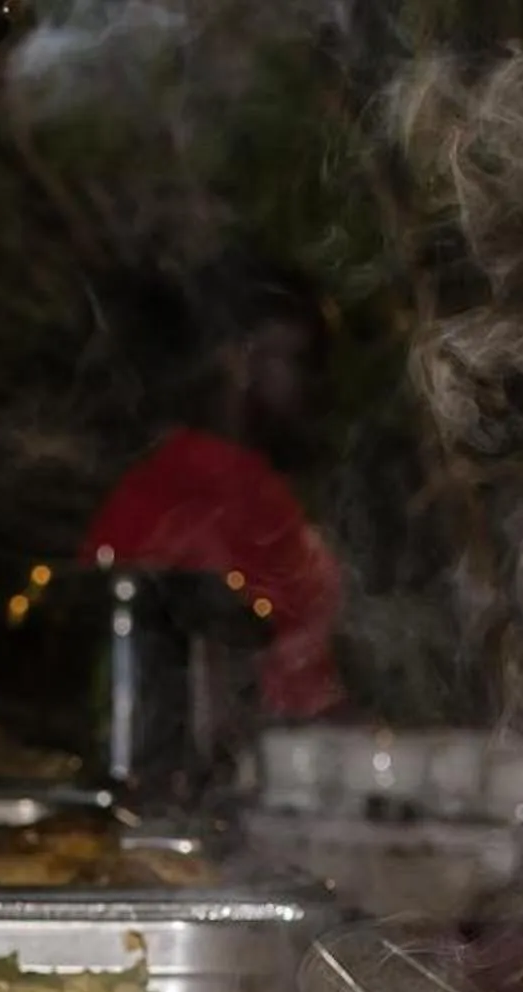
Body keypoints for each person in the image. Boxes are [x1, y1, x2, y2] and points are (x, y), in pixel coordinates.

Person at [79, 257, 346, 720]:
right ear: (238, 357)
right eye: (299, 359)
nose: (310, 385)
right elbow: (293, 690)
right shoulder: (218, 491)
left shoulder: (163, 481)